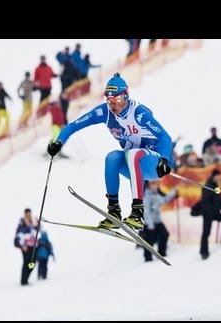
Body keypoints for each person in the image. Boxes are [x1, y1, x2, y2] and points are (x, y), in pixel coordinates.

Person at [47, 73, 173, 230]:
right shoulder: (104, 112)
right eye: (109, 99)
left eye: (117, 99)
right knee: (112, 157)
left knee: (132, 154)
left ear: (126, 96)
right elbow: (73, 125)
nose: (113, 104)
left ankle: (138, 213)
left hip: (154, 162)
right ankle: (113, 212)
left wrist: (165, 160)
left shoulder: (138, 113)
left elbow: (165, 137)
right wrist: (58, 142)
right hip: (133, 166)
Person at [199, 169, 221, 260]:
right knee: (206, 232)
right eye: (218, 176)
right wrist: (208, 212)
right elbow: (205, 201)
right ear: (214, 176)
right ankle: (204, 252)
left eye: (220, 176)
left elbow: (220, 200)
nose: (219, 178)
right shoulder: (207, 186)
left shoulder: (217, 186)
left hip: (216, 213)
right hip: (208, 214)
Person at [142, 179, 178, 262]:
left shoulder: (156, 195)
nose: (155, 186)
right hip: (149, 223)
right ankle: (148, 258)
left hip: (157, 221)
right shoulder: (147, 196)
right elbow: (146, 211)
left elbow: (164, 200)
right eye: (152, 185)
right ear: (149, 186)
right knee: (149, 241)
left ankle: (162, 253)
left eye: (156, 184)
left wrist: (173, 192)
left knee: (165, 234)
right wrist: (150, 224)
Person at [13, 208, 39, 286]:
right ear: (24, 214)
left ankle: (26, 278)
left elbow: (39, 231)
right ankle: (24, 281)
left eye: (29, 213)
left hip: (34, 246)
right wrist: (23, 245)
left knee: (33, 262)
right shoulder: (22, 223)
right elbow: (19, 234)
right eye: (26, 213)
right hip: (26, 247)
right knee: (26, 263)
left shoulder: (35, 221)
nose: (28, 215)